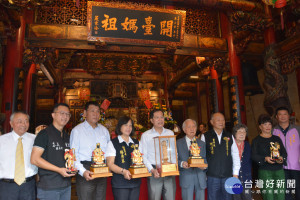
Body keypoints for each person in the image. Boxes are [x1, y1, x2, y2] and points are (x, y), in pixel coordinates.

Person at [31, 103, 75, 200]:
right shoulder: (44, 134)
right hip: (49, 187)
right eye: (62, 113)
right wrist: (59, 170)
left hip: (66, 185)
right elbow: (34, 159)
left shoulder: (67, 136)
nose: (65, 116)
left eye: (68, 114)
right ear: (53, 115)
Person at [70, 101, 110, 200]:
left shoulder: (104, 131)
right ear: (85, 113)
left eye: (98, 111)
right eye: (92, 111)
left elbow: (109, 152)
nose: (95, 114)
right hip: (85, 170)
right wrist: (83, 172)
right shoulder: (77, 131)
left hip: (102, 170)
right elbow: (73, 155)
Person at [200, 112, 240, 200]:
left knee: (228, 198)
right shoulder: (205, 136)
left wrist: (235, 173)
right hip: (212, 176)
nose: (221, 122)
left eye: (223, 120)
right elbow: (202, 156)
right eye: (218, 120)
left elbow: (235, 154)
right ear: (211, 122)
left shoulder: (229, 135)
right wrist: (204, 172)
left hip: (228, 175)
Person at [0, 111, 37, 200]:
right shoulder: (1, 140)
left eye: (26, 121)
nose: (23, 124)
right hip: (7, 186)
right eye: (19, 121)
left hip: (28, 185)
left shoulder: (35, 139)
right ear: (11, 123)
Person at [140, 109, 176, 200]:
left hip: (168, 170)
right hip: (154, 171)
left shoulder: (170, 133)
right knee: (154, 197)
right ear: (152, 120)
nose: (160, 120)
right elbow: (143, 155)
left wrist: (174, 166)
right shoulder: (146, 135)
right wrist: (152, 170)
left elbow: (174, 152)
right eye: (157, 118)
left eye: (161, 117)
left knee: (170, 197)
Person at [252, 114, 287, 200]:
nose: (268, 126)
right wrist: (265, 158)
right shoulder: (256, 140)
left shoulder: (277, 139)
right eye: (265, 124)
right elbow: (253, 155)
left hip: (279, 170)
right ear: (260, 127)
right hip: (265, 171)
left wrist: (282, 158)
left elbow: (284, 152)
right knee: (268, 196)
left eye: (269, 124)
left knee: (281, 195)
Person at [106, 116, 141, 200]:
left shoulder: (136, 143)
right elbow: (110, 164)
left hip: (135, 182)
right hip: (120, 184)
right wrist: (123, 171)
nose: (128, 128)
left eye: (130, 125)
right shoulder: (113, 143)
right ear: (120, 126)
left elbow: (141, 160)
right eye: (125, 125)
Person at [273, 107, 300, 200]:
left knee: (298, 192)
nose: (283, 116)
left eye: (285, 114)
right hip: (281, 168)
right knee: (285, 192)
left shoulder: (297, 129)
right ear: (277, 116)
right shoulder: (273, 131)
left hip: (297, 167)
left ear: (289, 116)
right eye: (280, 114)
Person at [177, 119, 207, 200]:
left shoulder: (202, 143)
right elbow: (174, 159)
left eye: (194, 126)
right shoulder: (178, 143)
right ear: (184, 129)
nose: (192, 129)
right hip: (186, 176)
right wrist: (182, 163)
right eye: (189, 127)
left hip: (200, 176)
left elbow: (205, 159)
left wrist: (204, 166)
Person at [232, 124, 252, 200]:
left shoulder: (248, 145)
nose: (242, 134)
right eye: (239, 131)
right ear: (234, 133)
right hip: (233, 178)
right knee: (235, 198)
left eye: (244, 132)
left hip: (246, 177)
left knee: (247, 197)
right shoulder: (230, 145)